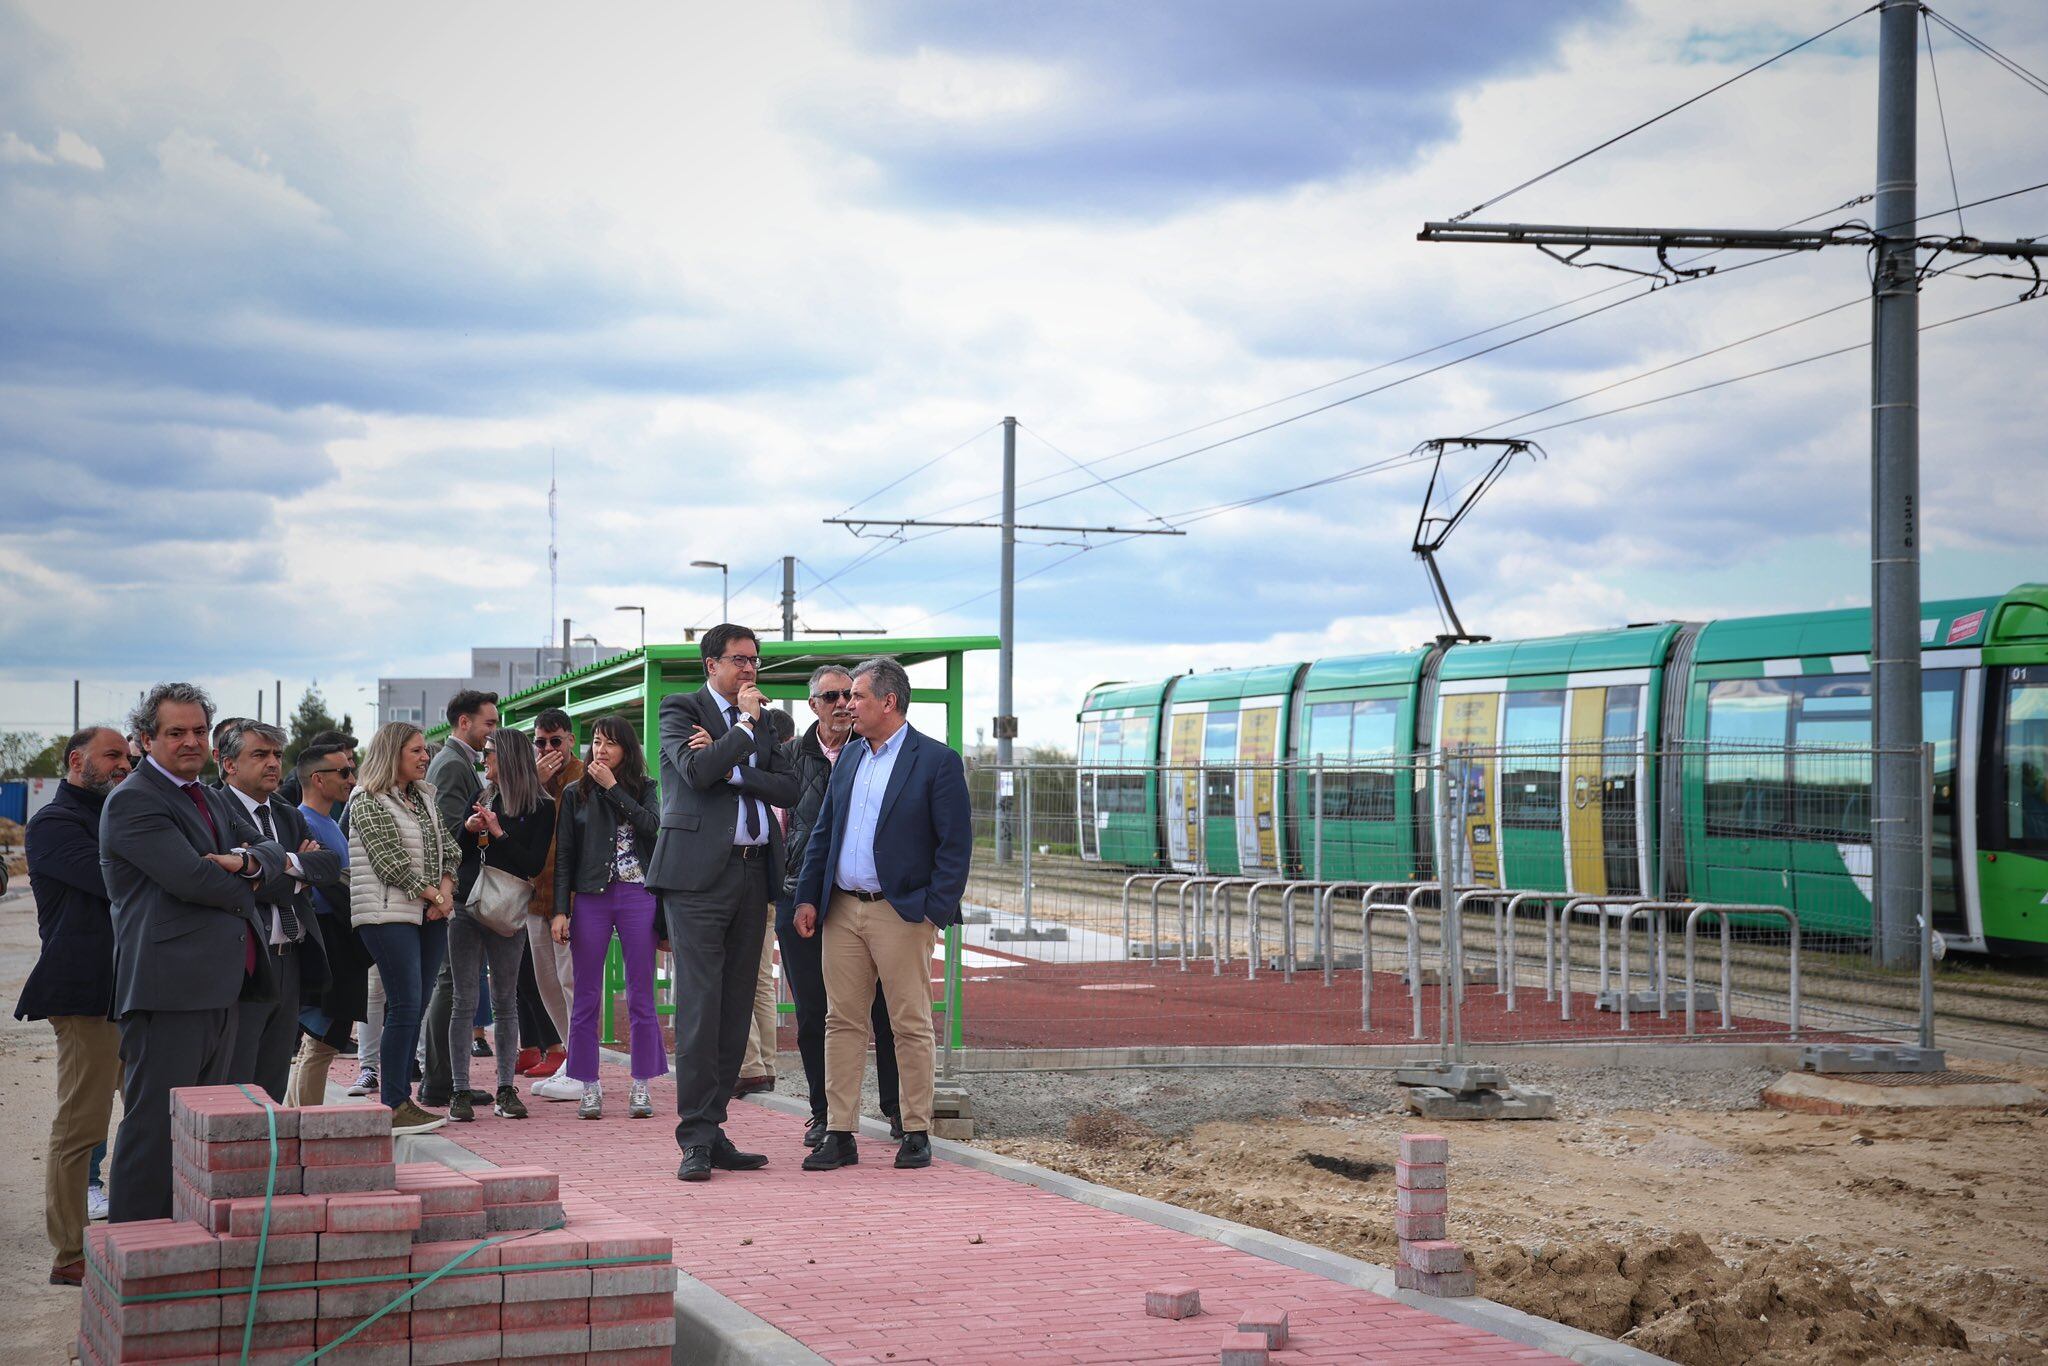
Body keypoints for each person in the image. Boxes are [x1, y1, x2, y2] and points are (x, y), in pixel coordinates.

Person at [102, 683, 287, 1221]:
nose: (191, 742)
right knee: (155, 1130)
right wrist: (249, 873)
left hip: (223, 987)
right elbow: (190, 879)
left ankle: (186, 1246)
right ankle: (136, 1253)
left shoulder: (205, 795)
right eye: (175, 732)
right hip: (169, 991)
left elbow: (273, 851)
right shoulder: (135, 800)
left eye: (200, 731)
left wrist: (249, 863)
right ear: (146, 739)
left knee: (202, 1134)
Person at [795, 657, 971, 1173]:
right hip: (842, 909)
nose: (847, 705)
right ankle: (840, 1131)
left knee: (909, 1023)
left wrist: (929, 912)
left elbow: (955, 847)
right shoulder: (850, 757)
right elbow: (824, 833)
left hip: (902, 913)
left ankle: (916, 1131)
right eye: (845, 697)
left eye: (857, 697)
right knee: (841, 1021)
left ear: (888, 702)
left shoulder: (936, 761)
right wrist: (809, 897)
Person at [645, 624, 798, 1182]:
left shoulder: (761, 720)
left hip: (755, 876)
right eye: (740, 660)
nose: (750, 670)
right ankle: (694, 1136)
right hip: (697, 881)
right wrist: (743, 731)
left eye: (755, 661)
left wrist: (734, 763)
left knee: (736, 1011)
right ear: (711, 664)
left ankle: (714, 1124)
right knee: (700, 1007)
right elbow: (696, 772)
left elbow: (789, 788)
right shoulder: (681, 709)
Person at [17, 727, 131, 1285]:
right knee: (82, 1128)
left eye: (128, 758)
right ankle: (69, 1254)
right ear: (76, 760)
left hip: (135, 993)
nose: (122, 766)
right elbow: (117, 879)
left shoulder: (117, 812)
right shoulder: (55, 824)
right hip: (87, 995)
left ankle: (141, 1230)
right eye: (112, 756)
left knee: (155, 1119)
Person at [775, 669, 900, 1150]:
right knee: (814, 1011)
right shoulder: (787, 759)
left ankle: (895, 1110)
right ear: (813, 705)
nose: (843, 703)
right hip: (799, 896)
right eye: (831, 696)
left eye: (851, 694)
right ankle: (825, 1113)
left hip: (859, 897)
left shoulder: (872, 753)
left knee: (884, 1009)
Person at [551, 714, 665, 1119]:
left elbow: (653, 827)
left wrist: (614, 789)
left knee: (641, 995)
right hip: (591, 899)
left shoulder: (646, 789)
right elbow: (564, 854)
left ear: (627, 750)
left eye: (610, 743)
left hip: (637, 895)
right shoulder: (573, 793)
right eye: (597, 742)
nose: (601, 750)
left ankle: (641, 1084)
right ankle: (588, 1085)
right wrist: (560, 910)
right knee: (585, 996)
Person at [218, 720, 339, 1102]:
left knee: (273, 1081)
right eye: (260, 755)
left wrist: (267, 865)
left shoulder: (285, 813)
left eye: (276, 755)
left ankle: (268, 1159)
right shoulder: (215, 810)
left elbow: (330, 866)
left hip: (291, 960)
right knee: (238, 1083)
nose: (272, 763)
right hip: (247, 960)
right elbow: (233, 884)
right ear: (229, 764)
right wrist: (299, 868)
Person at [347, 721, 459, 1136]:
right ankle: (393, 1102)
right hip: (386, 914)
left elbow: (451, 848)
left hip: (427, 913)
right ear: (393, 753)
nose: (425, 757)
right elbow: (388, 861)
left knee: (415, 1004)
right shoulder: (367, 799)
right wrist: (435, 896)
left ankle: (400, 1099)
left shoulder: (423, 798)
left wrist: (442, 893)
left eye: (424, 751)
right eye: (416, 751)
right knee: (405, 1005)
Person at [445, 728, 551, 1122]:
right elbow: (458, 852)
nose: (483, 760)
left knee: (505, 1001)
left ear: (505, 757)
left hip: (507, 911)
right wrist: (470, 829)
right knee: (464, 1000)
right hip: (467, 905)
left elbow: (531, 864)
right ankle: (459, 1089)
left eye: (488, 753)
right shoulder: (483, 797)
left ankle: (506, 1087)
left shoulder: (542, 806)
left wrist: (499, 832)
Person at [419, 690, 498, 1110]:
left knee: (453, 985)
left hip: (458, 889)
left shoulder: (458, 763)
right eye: (489, 723)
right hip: (456, 890)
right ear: (463, 723)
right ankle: (442, 1081)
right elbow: (446, 831)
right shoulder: (451, 765)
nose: (494, 731)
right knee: (450, 985)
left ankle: (448, 1079)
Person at [285, 740, 367, 1107]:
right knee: (320, 1040)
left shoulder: (332, 823)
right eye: (345, 771)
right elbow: (317, 883)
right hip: (324, 936)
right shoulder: (300, 822)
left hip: (339, 936)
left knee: (321, 1042)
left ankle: (295, 1120)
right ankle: (304, 1125)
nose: (352, 778)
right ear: (318, 779)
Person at [735, 705, 796, 1099]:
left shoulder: (765, 778)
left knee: (744, 976)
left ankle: (751, 1065)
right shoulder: (789, 776)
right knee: (760, 979)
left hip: (759, 881)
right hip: (778, 885)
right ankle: (765, 1065)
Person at [522, 707, 582, 1089]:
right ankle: (572, 1056)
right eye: (540, 742)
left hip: (572, 899)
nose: (547, 749)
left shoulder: (584, 777)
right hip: (533, 896)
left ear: (570, 740)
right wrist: (537, 787)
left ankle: (582, 1064)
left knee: (571, 980)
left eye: (555, 741)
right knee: (546, 982)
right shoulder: (528, 780)